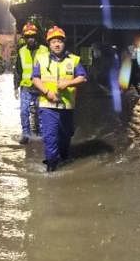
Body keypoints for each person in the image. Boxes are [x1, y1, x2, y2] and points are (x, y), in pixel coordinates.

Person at [32, 25, 88, 172]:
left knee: (66, 136)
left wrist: (68, 83)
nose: (57, 44)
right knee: (50, 137)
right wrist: (47, 92)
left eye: (59, 41)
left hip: (67, 107)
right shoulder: (41, 59)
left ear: (64, 43)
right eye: (53, 42)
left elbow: (83, 77)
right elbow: (35, 78)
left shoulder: (74, 60)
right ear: (49, 44)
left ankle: (63, 157)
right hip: (47, 106)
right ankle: (51, 167)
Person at [13, 21, 49, 143]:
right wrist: (15, 87)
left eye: (32, 36)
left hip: (41, 86)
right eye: (27, 37)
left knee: (41, 111)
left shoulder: (44, 50)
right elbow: (18, 70)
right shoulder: (21, 51)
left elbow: (51, 68)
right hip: (26, 86)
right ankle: (26, 135)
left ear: (36, 36)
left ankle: (41, 133)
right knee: (24, 111)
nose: (30, 39)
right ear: (24, 37)